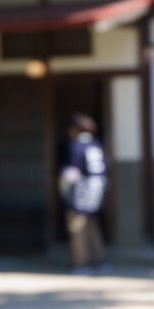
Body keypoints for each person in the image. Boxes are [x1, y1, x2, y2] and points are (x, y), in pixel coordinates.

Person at [59, 113, 109, 274]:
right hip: (98, 190)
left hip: (81, 192)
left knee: (77, 227)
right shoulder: (96, 144)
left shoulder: (76, 146)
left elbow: (72, 172)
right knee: (92, 225)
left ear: (74, 129)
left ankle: (81, 263)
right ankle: (100, 260)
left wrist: (63, 189)